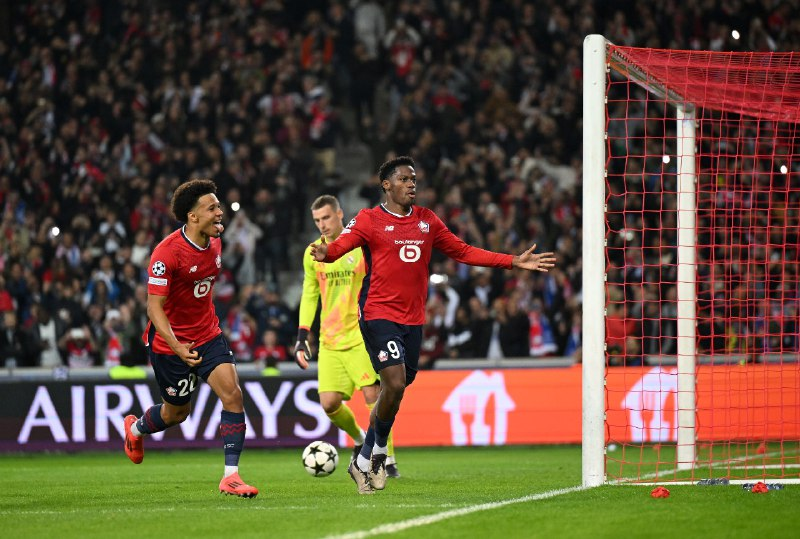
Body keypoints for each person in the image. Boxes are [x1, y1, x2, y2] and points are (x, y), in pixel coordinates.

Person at [309, 156, 556, 494]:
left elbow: (464, 251)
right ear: (387, 184)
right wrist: (328, 254)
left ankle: (367, 456)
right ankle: (377, 452)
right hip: (378, 313)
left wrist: (511, 261)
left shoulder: (427, 221)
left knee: (398, 388)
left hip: (413, 319)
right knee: (392, 382)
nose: (412, 184)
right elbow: (341, 245)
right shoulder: (369, 219)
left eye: (414, 179)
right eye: (405, 179)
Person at [122, 179, 258, 498]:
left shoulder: (216, 241)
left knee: (233, 394)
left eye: (218, 206)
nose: (220, 212)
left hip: (207, 334)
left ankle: (231, 476)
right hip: (170, 344)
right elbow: (153, 308)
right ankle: (135, 429)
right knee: (176, 414)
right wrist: (177, 346)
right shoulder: (166, 253)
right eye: (212, 208)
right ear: (192, 217)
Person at [295, 195, 400, 479]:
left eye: (326, 218)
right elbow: (309, 293)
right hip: (330, 342)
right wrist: (303, 334)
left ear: (340, 213)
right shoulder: (312, 253)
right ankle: (357, 438)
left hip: (360, 336)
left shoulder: (359, 247)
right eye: (317, 220)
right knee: (329, 404)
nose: (322, 225)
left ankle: (387, 458)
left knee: (373, 395)